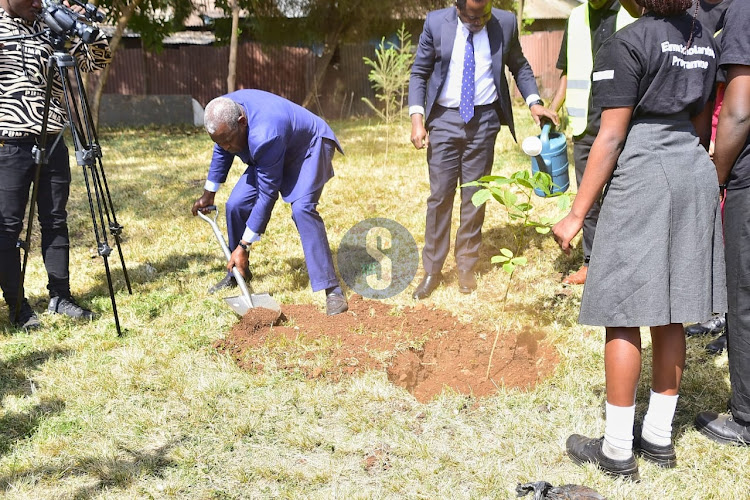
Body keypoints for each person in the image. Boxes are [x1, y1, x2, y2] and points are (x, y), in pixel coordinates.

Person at [552, 0, 724, 479]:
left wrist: (575, 214)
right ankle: (658, 439)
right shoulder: (703, 39)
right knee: (671, 308)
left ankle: (617, 450)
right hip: (692, 167)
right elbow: (698, 120)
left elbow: (609, 138)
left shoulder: (626, 42)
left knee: (622, 310)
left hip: (645, 168)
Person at [408, 0, 558, 300]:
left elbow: (520, 65)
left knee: (475, 195)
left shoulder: (504, 22)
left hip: (484, 120)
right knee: (440, 198)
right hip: (445, 119)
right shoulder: (436, 23)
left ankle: (466, 265)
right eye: (471, 17)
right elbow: (419, 73)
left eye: (483, 16)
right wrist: (417, 119)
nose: (477, 22)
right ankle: (433, 270)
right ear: (457, 7)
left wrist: (534, 101)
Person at [0, 0, 111, 330]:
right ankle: (18, 307)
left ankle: (60, 296)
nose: (37, 2)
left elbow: (97, 60)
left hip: (52, 139)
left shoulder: (49, 24)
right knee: (7, 227)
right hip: (9, 143)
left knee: (55, 218)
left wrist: (77, 21)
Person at [191, 90, 348, 316]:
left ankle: (332, 290)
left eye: (228, 141)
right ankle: (239, 272)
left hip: (308, 149)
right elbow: (221, 148)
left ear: (242, 122)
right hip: (273, 153)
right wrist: (209, 194)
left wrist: (244, 245)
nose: (225, 147)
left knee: (303, 210)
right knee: (235, 204)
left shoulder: (265, 134)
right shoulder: (225, 110)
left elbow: (267, 194)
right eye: (220, 142)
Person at [548, 0, 636, 286]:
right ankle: (592, 263)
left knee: (625, 197)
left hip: (625, 122)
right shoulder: (575, 17)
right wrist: (553, 107)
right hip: (585, 123)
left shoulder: (632, 12)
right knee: (589, 198)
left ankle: (626, 263)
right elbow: (567, 70)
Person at [694, 0, 750, 446]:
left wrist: (715, 176)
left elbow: (738, 109)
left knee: (744, 295)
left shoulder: (743, 12)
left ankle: (746, 418)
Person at [682, 0, 732, 350]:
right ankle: (717, 316)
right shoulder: (705, 20)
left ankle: (731, 327)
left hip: (726, 152)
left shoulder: (738, 19)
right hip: (709, 146)